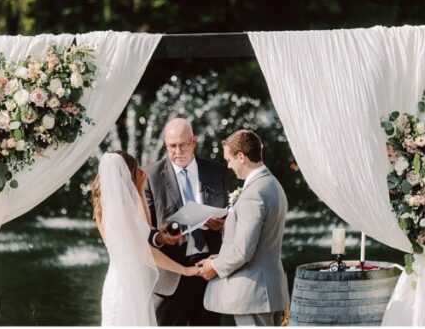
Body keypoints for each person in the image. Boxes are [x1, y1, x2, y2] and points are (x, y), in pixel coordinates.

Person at [93, 151, 200, 326]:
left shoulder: (104, 208)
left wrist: (140, 191)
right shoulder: (120, 212)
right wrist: (185, 270)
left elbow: (146, 228)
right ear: (127, 174)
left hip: (125, 282)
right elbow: (146, 250)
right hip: (127, 289)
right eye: (135, 171)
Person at [143, 118, 232, 326]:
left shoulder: (218, 172)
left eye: (182, 145)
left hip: (209, 271)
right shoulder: (150, 176)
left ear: (194, 141)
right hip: (170, 274)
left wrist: (223, 225)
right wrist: (160, 237)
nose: (177, 151)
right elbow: (145, 230)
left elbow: (231, 215)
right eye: (171, 146)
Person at [197, 129, 289, 326]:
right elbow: (261, 236)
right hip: (269, 289)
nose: (229, 166)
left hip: (253, 293)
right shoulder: (272, 184)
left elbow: (243, 251)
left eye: (229, 160)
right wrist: (226, 226)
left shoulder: (254, 193)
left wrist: (214, 266)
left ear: (241, 157)